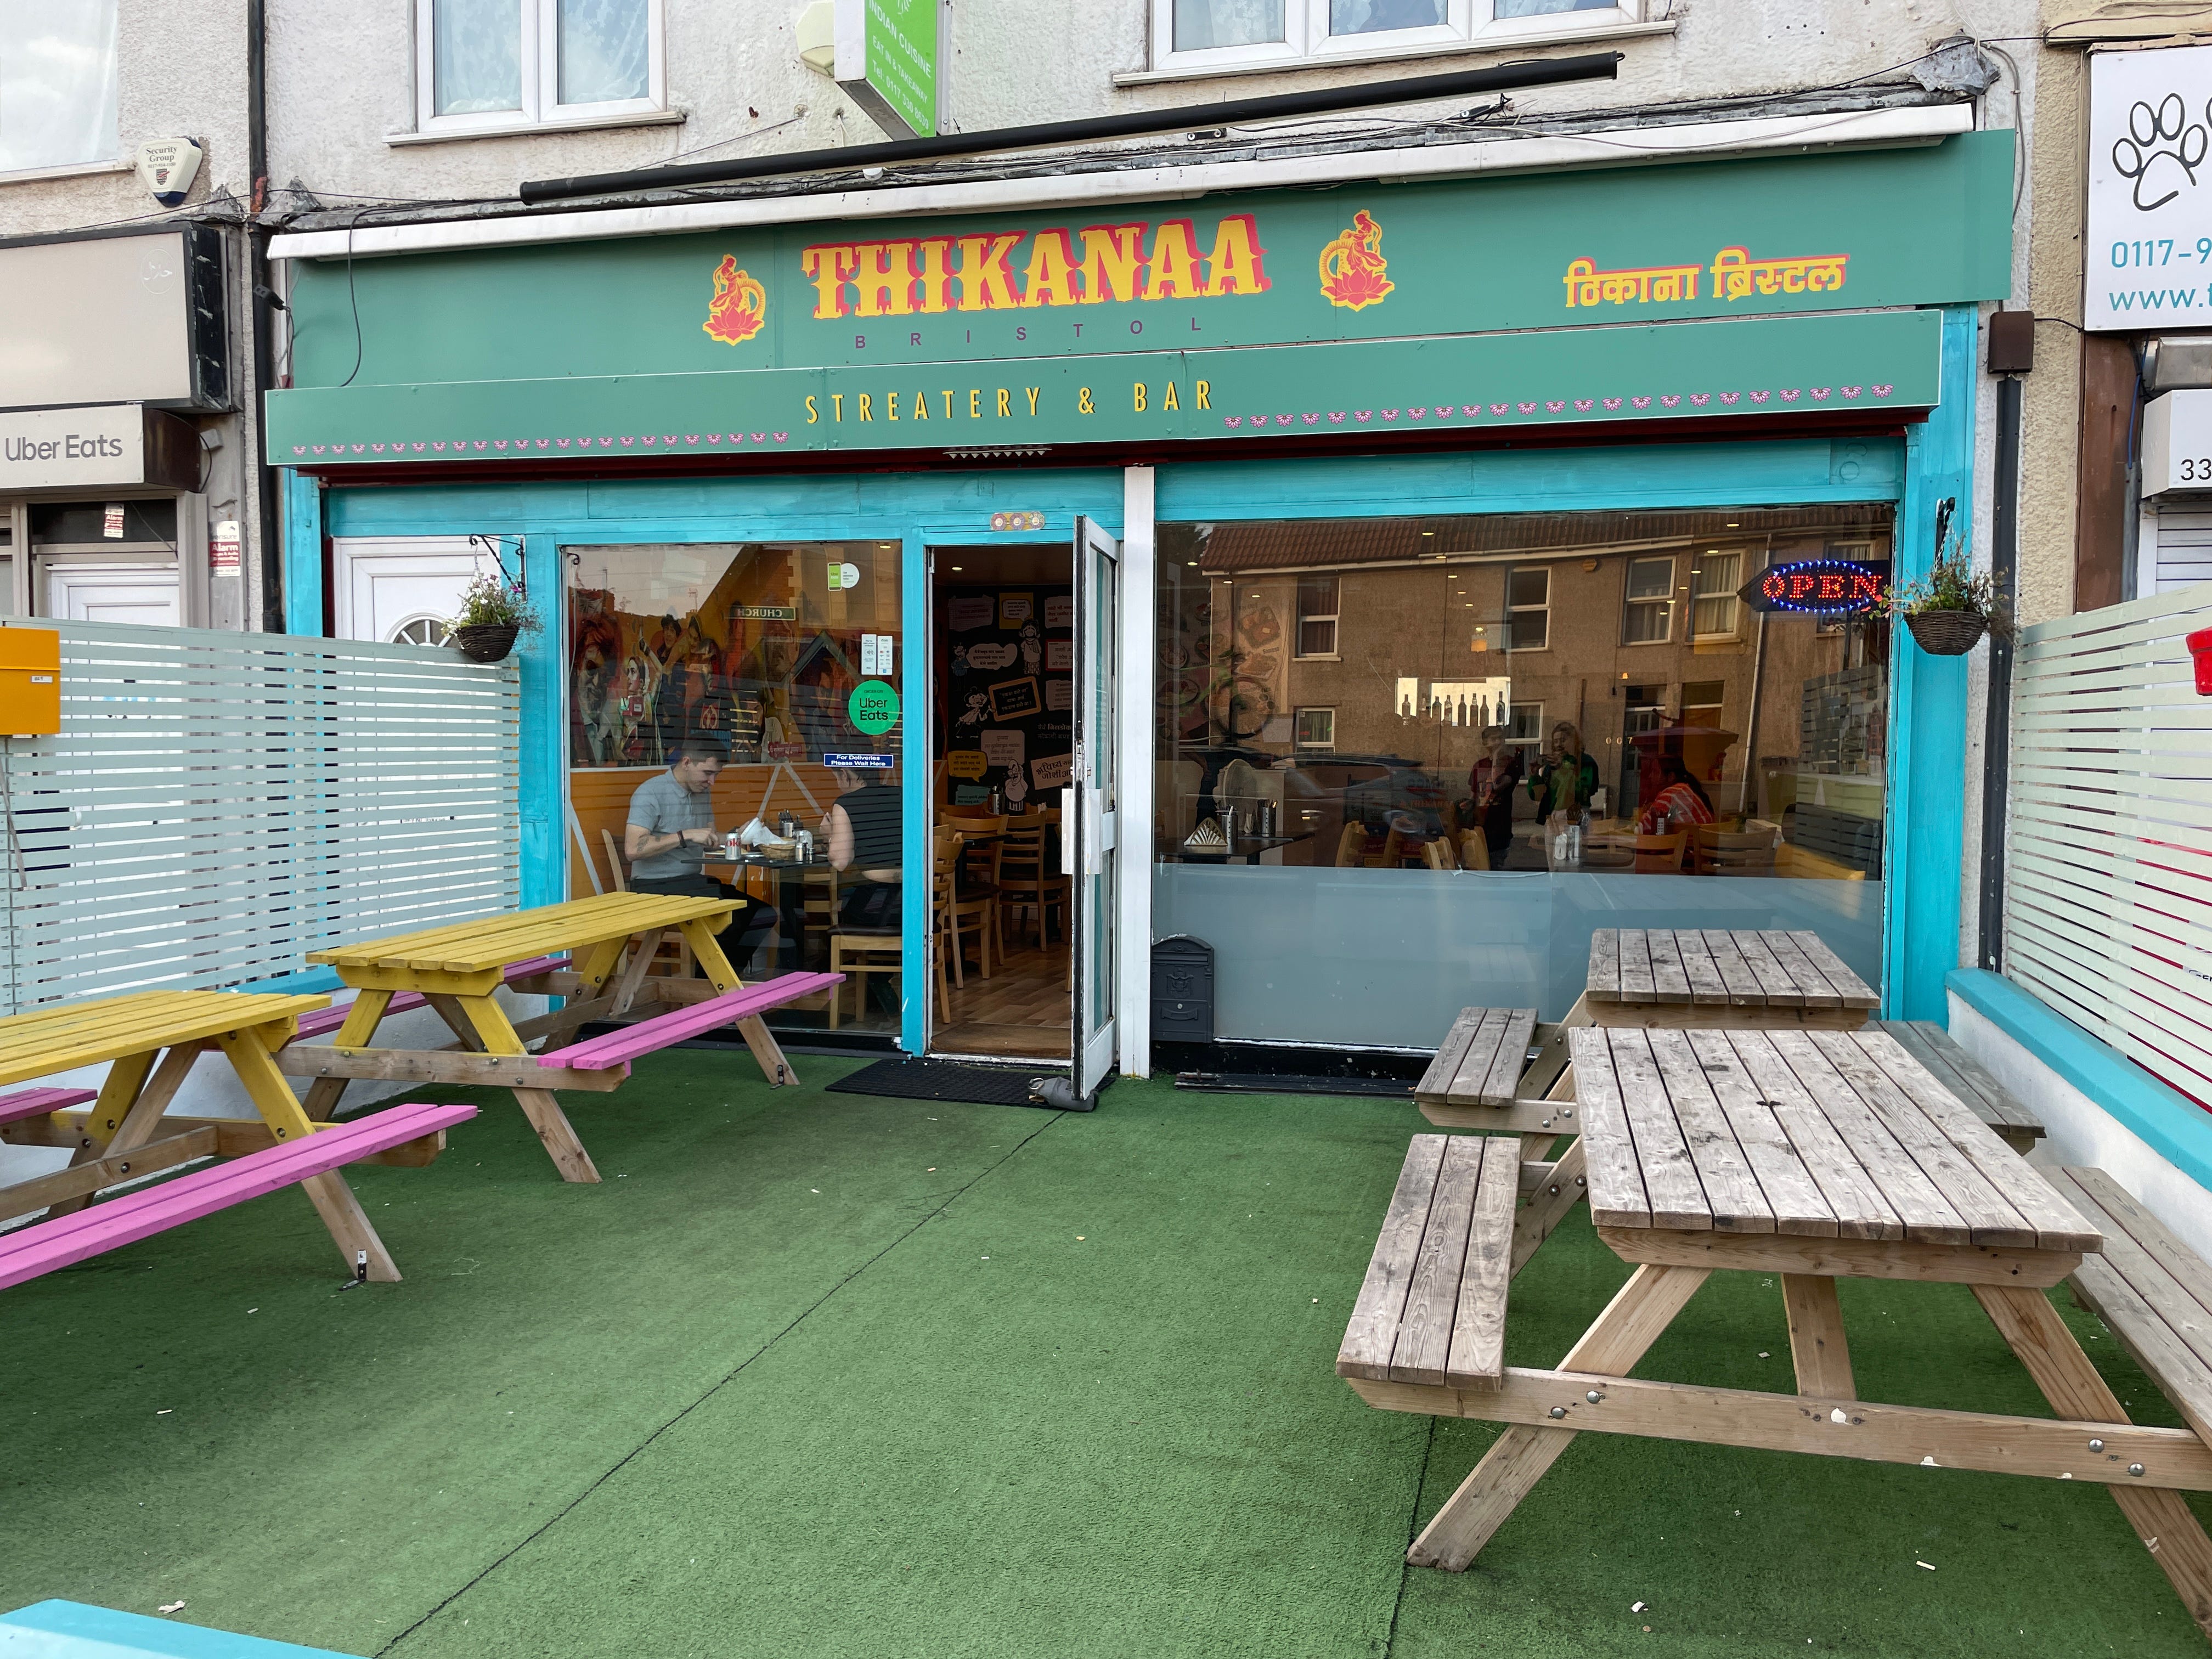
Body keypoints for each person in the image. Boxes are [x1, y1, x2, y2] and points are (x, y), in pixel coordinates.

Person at [623, 737, 773, 968]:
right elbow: (633, 849)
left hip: (691, 883)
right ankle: (713, 981)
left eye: (716, 775)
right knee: (733, 916)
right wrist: (685, 835)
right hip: (653, 886)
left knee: (763, 914)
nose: (712, 782)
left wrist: (738, 836)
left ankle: (723, 978)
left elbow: (709, 840)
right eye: (707, 773)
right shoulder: (650, 792)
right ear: (686, 763)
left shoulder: (701, 792)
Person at [1526, 721, 1598, 819]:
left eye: (1563, 740)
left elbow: (1584, 791)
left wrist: (1564, 767)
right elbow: (1539, 796)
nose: (1559, 745)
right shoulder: (1551, 766)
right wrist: (1534, 777)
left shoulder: (1586, 762)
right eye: (1556, 741)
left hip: (1576, 813)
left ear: (1575, 742)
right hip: (1553, 814)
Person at [1475, 726, 1524, 867]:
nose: (1497, 742)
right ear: (1485, 743)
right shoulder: (1479, 765)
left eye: (1500, 738)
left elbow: (1498, 785)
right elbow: (1474, 794)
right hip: (1482, 826)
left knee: (1497, 867)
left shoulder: (1512, 763)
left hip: (1500, 828)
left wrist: (1496, 758)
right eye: (1493, 739)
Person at [1638, 757, 1716, 836]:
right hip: (1702, 841)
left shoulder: (1674, 793)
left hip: (1694, 843)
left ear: (1671, 776)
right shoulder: (1683, 790)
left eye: (1655, 771)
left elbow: (1643, 827)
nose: (1650, 776)